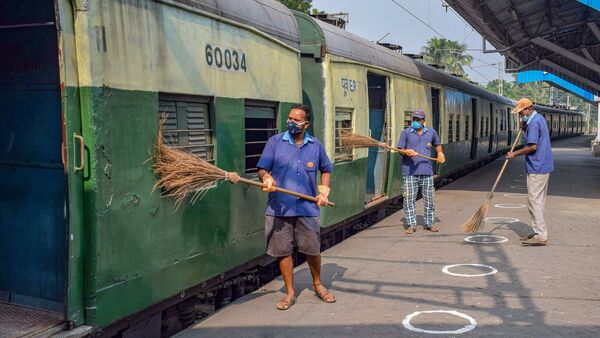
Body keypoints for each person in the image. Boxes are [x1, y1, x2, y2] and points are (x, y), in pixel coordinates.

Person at [256, 104, 335, 310]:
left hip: (307, 208)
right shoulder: (275, 142)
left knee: (312, 250)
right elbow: (262, 169)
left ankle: (318, 285)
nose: (291, 122)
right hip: (279, 208)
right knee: (283, 251)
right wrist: (267, 178)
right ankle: (290, 292)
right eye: (289, 118)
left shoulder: (315, 146)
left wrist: (324, 189)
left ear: (305, 124)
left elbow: (326, 169)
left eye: (296, 120)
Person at [506, 98, 553, 246]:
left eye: (521, 113)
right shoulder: (538, 119)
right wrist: (525, 129)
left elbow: (532, 147)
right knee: (538, 201)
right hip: (543, 165)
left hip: (537, 167)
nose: (521, 116)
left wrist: (515, 154)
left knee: (534, 202)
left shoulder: (533, 123)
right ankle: (537, 231)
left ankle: (540, 235)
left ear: (528, 109)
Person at [397, 110, 445, 234]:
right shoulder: (406, 133)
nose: (415, 122)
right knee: (409, 200)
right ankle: (411, 225)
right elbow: (400, 149)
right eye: (414, 119)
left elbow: (437, 144)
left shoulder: (431, 133)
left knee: (429, 199)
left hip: (427, 171)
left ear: (424, 121)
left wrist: (440, 153)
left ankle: (429, 224)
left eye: (418, 120)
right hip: (409, 172)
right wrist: (406, 151)